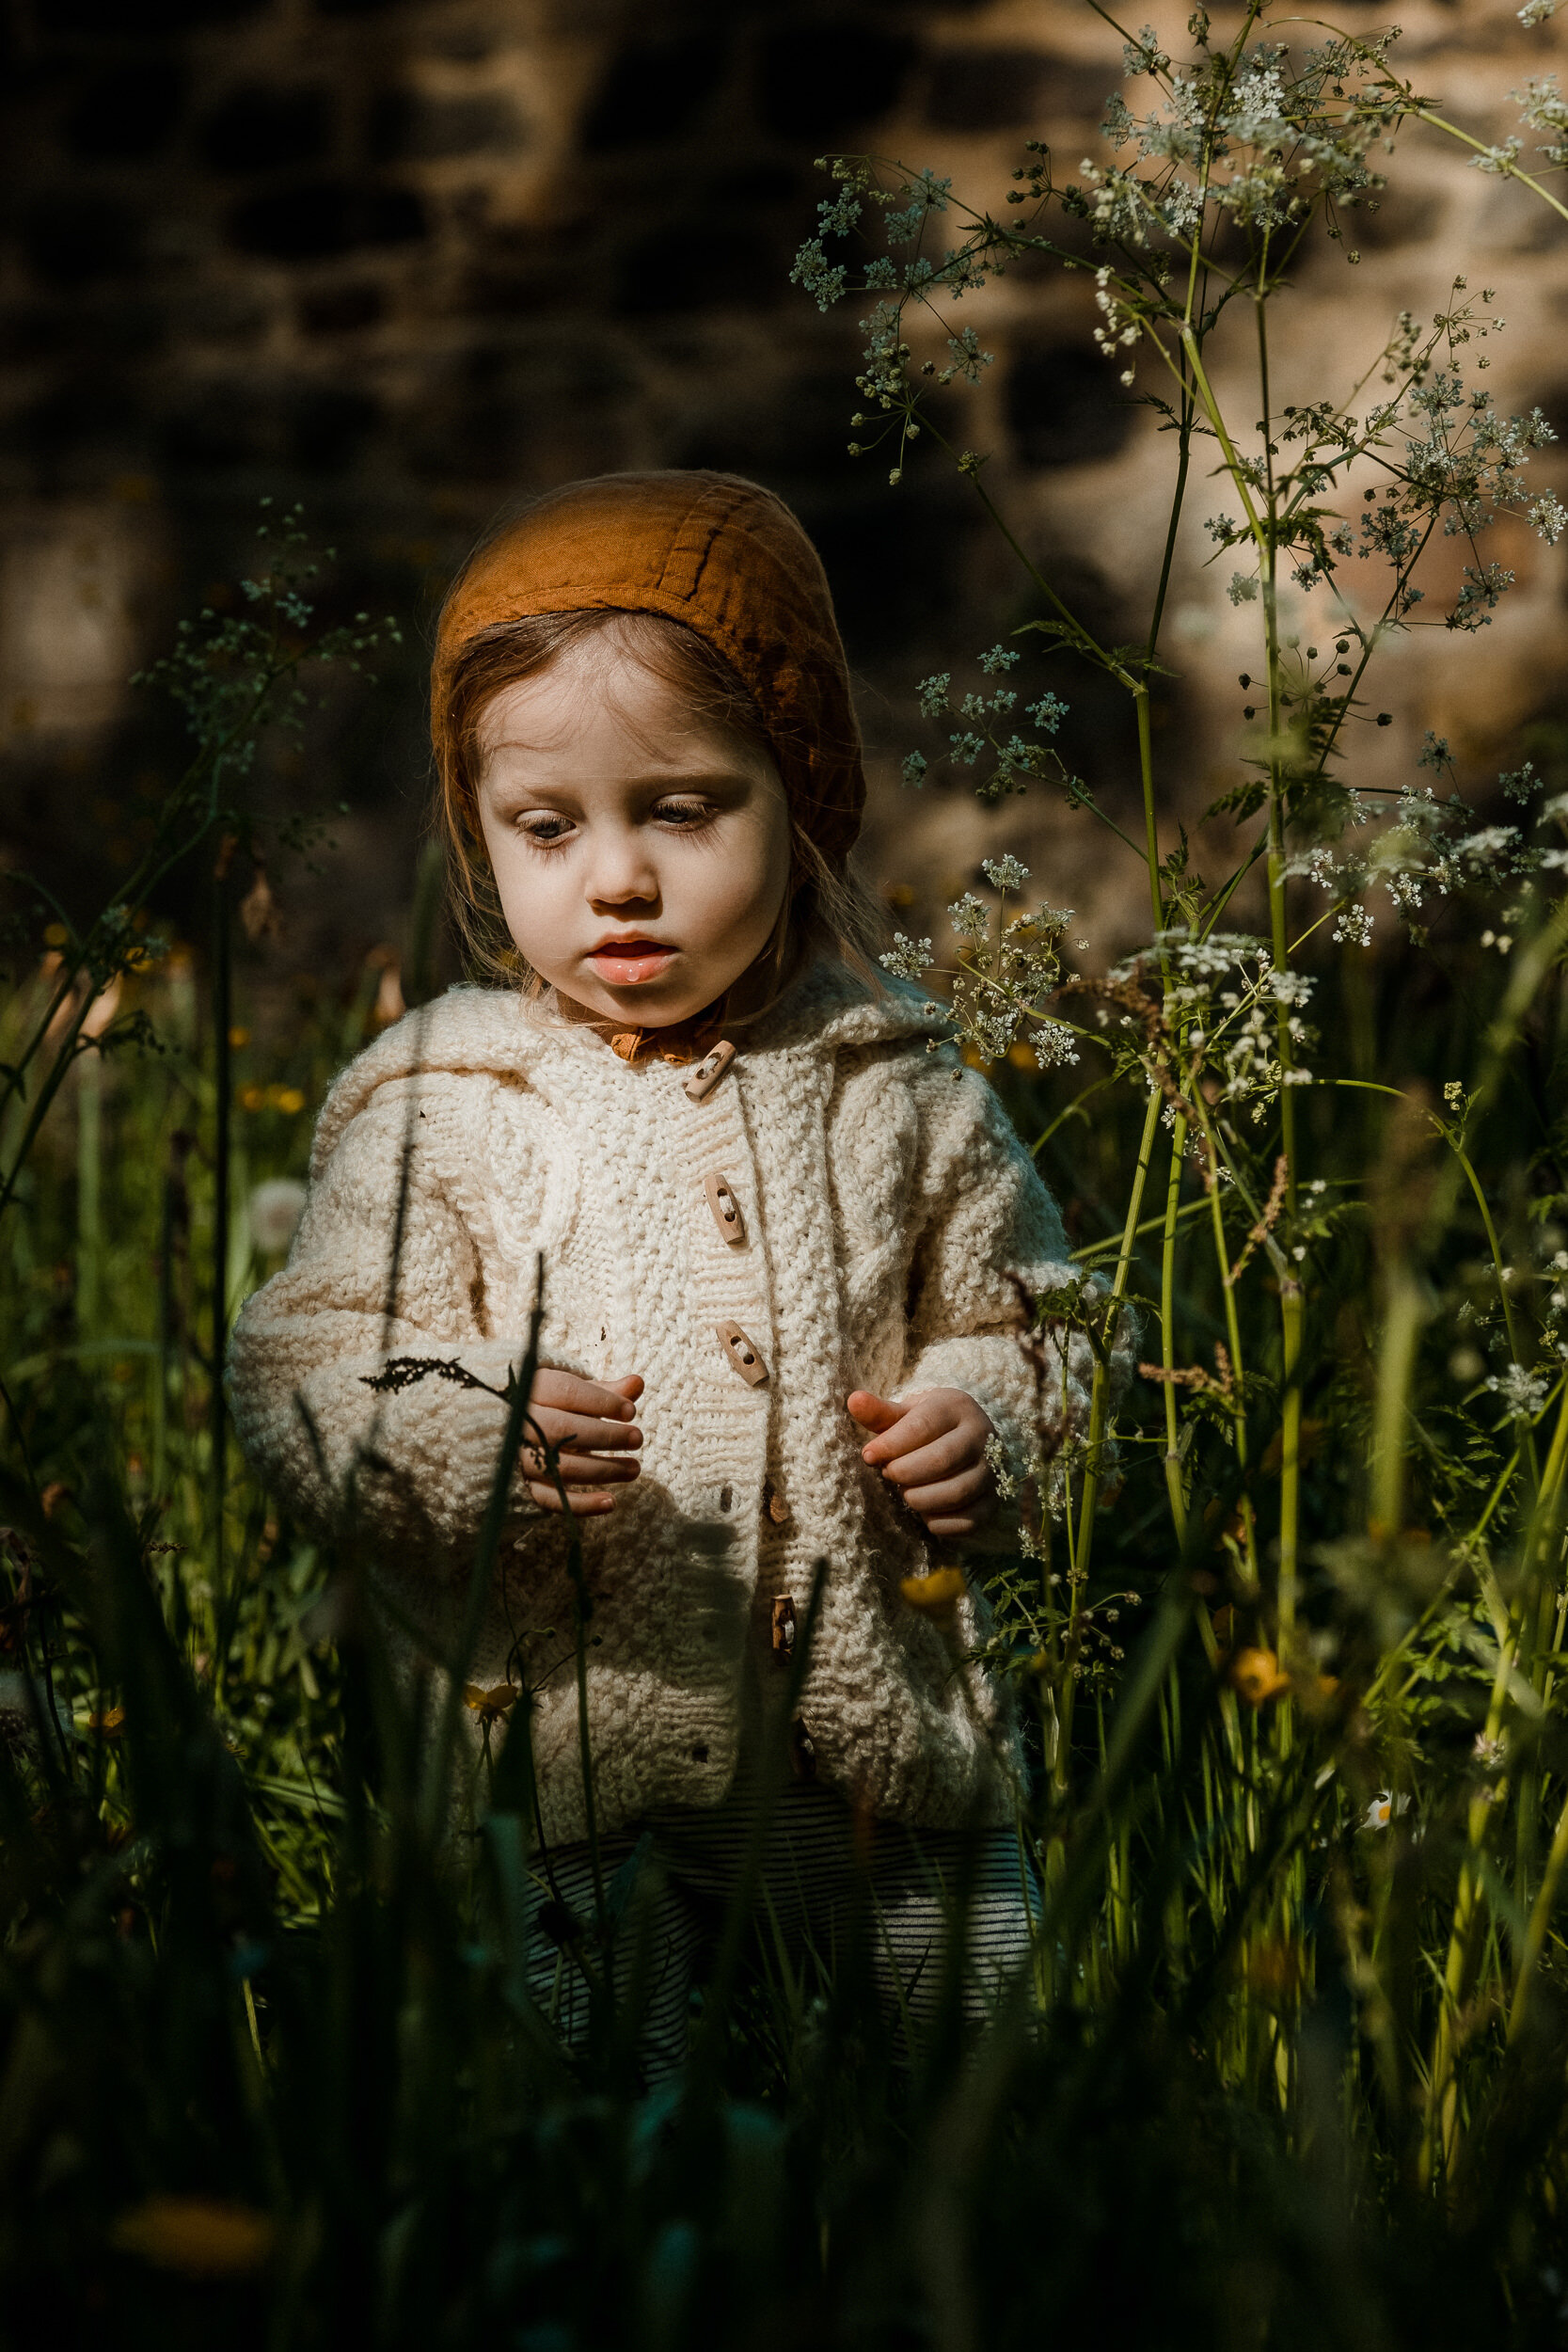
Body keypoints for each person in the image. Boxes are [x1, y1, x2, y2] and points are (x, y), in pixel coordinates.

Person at [230, 469, 1101, 2079]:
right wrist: (457, 1431)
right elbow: (300, 1374)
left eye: (683, 808)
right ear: (481, 835)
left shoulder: (899, 1089)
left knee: (978, 2081)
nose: (614, 877)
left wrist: (990, 1425)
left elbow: (1031, 1329)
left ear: (804, 792)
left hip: (884, 1774)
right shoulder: (443, 1099)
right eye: (546, 828)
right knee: (598, 2125)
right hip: (567, 1781)